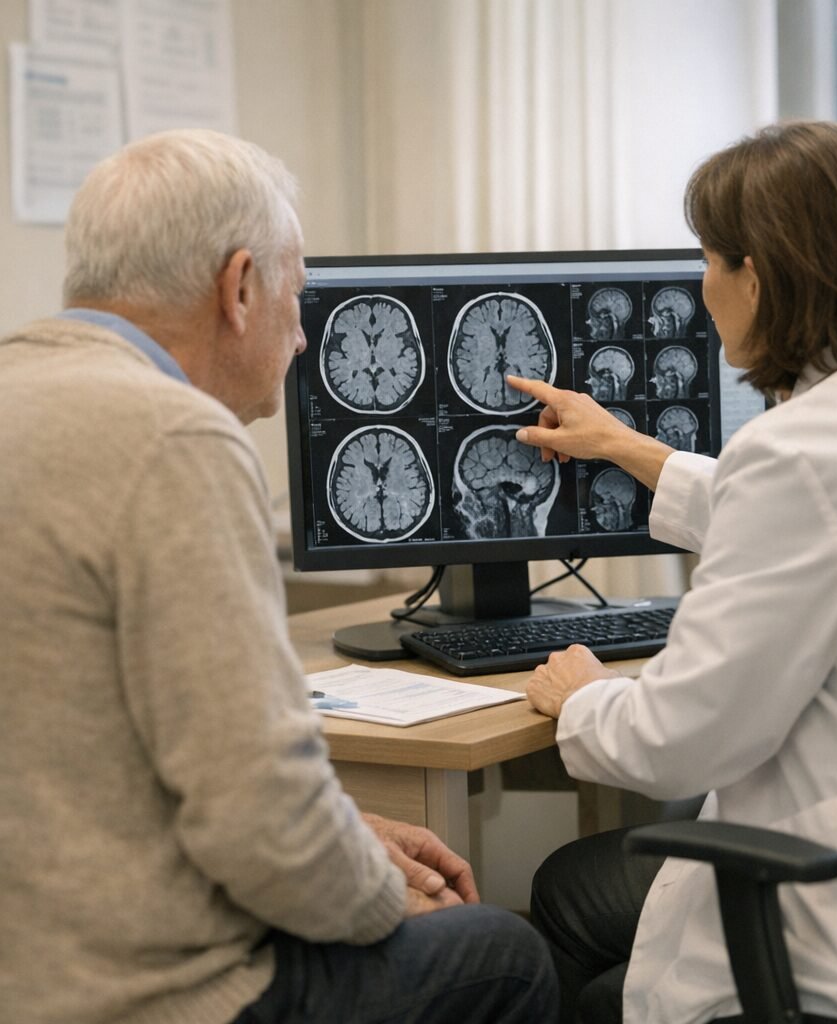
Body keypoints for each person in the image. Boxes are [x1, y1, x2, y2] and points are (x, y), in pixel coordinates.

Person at [0, 129, 556, 1024]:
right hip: (143, 994)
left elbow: (100, 753)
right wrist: (377, 889)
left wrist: (348, 833)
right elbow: (258, 821)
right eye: (299, 297)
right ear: (241, 285)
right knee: (504, 953)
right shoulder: (173, 439)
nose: (303, 339)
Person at [507, 120, 837, 1024]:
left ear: (762, 275)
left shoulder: (802, 454)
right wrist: (630, 449)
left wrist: (584, 695)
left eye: (709, 259)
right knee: (589, 927)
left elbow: (683, 740)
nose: (700, 289)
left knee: (570, 929)